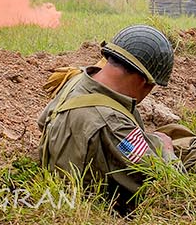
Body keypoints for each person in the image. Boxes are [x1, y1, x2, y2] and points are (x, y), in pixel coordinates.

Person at [38, 25, 193, 213]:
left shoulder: (76, 80)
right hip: (97, 203)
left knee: (174, 137)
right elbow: (172, 186)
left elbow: (43, 121)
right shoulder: (113, 123)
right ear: (143, 81)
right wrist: (167, 151)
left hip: (64, 173)